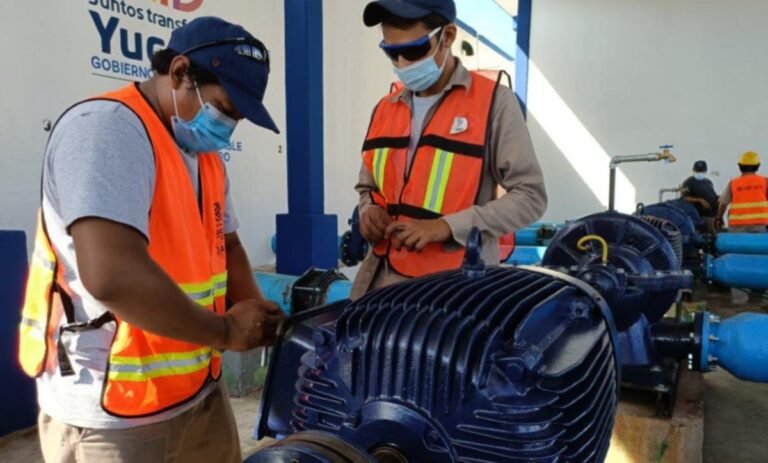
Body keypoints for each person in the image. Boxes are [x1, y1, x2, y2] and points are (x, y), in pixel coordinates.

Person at [18, 17, 284, 463]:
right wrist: (224, 331)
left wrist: (258, 315)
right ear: (180, 72)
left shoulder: (203, 156)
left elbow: (229, 244)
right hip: (113, 409)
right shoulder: (107, 129)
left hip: (196, 390)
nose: (228, 124)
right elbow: (112, 277)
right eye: (224, 107)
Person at [351, 0, 547, 299]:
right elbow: (368, 187)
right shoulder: (384, 109)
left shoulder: (495, 103)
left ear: (448, 37)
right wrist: (368, 211)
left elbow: (530, 197)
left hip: (456, 291)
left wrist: (446, 227)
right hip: (382, 283)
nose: (402, 63)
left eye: (414, 50)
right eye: (392, 52)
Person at [716, 151, 768, 233]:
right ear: (758, 166)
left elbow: (723, 204)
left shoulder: (733, 183)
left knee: (737, 246)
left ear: (740, 166)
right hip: (759, 225)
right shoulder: (765, 181)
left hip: (736, 226)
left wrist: (719, 218)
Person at [681, 160, 718, 233]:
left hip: (712, 215)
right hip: (700, 216)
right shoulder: (689, 182)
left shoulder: (708, 182)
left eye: (702, 171)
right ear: (693, 170)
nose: (700, 173)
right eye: (698, 171)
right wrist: (700, 200)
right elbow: (684, 198)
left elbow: (712, 195)